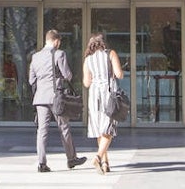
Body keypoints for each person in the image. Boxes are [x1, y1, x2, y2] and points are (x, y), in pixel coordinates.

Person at [29, 29, 86, 172]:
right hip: (56, 98)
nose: (59, 44)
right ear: (56, 41)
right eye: (59, 42)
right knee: (64, 128)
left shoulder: (35, 57)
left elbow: (31, 80)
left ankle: (41, 163)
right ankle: (71, 158)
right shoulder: (59, 54)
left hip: (40, 98)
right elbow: (67, 75)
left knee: (42, 131)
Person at [82, 32, 124, 174]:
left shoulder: (88, 59)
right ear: (104, 42)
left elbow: (86, 83)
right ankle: (98, 157)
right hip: (108, 94)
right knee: (108, 128)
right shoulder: (110, 54)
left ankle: (105, 163)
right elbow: (119, 74)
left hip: (94, 96)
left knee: (99, 129)